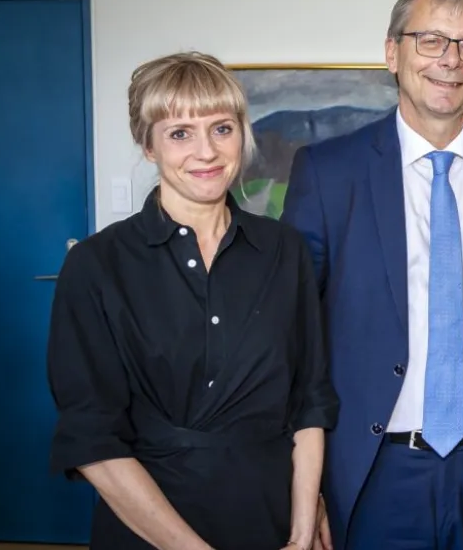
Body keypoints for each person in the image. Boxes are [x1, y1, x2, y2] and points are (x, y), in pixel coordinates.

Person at [280, 0, 463, 550]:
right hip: (373, 472)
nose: (450, 60)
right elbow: (294, 339)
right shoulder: (329, 173)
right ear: (393, 53)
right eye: (431, 40)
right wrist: (307, 487)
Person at [44, 51, 337, 550]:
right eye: (180, 133)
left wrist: (302, 528)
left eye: (222, 129)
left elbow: (310, 400)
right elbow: (92, 439)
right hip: (150, 528)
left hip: (271, 520)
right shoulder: (96, 265)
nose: (207, 152)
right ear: (148, 146)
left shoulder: (284, 250)